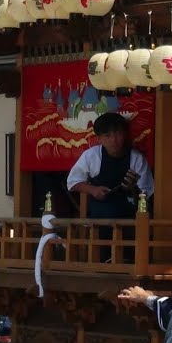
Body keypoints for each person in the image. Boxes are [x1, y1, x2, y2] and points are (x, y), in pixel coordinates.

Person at [68, 112, 154, 261]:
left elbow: (147, 194)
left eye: (118, 134)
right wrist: (93, 190)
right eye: (108, 136)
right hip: (101, 210)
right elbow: (73, 182)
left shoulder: (136, 159)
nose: (114, 140)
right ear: (99, 139)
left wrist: (133, 189)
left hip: (128, 211)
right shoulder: (92, 156)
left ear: (125, 135)